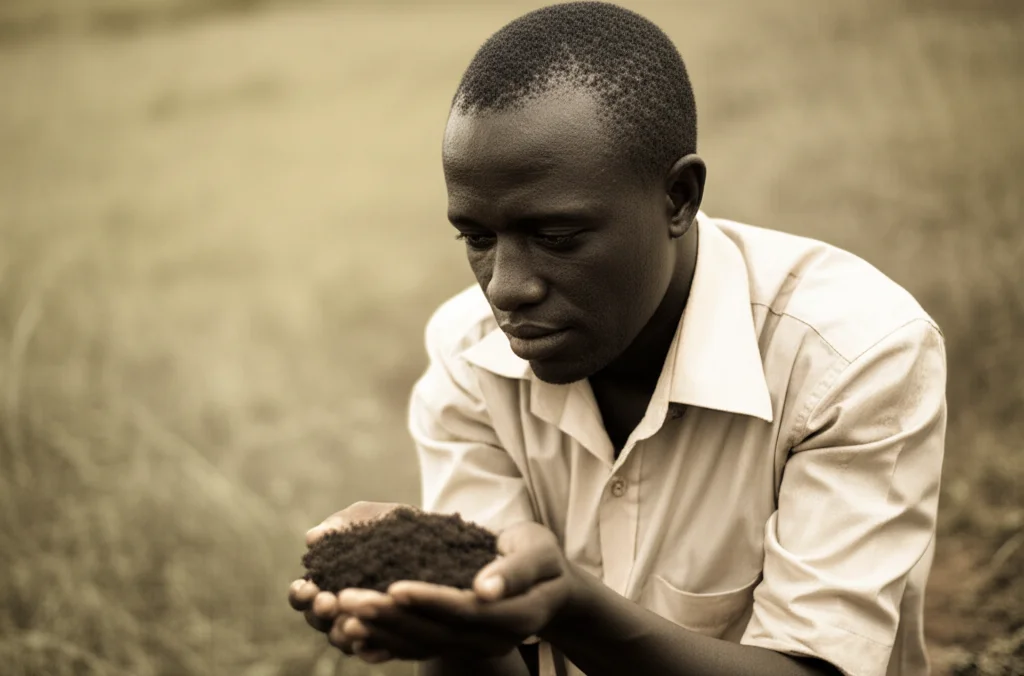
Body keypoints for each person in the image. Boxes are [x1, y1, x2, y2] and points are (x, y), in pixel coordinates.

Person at [288, 3, 947, 675]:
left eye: (557, 237)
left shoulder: (852, 357)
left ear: (678, 198)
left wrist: (572, 607)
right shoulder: (469, 356)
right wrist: (447, 612)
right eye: (477, 238)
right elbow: (497, 650)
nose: (506, 289)